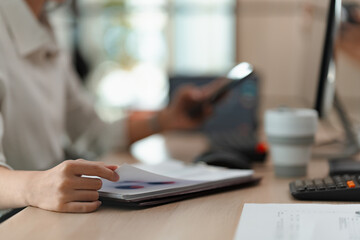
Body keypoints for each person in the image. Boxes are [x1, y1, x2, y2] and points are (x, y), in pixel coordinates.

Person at [0, 0, 217, 214]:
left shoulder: (46, 29)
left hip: (43, 214)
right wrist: (35, 187)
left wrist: (166, 120)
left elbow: (93, 132)